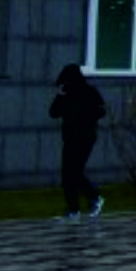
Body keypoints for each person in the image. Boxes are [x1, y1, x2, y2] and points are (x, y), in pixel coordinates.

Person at [50, 65, 107, 222]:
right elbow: (53, 113)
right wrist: (60, 96)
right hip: (70, 138)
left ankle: (94, 198)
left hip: (85, 138)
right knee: (67, 175)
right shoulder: (66, 93)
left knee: (74, 172)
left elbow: (101, 110)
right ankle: (74, 210)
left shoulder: (89, 92)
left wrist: (85, 114)